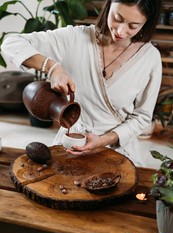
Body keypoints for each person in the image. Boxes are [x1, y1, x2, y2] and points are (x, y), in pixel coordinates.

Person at [2, 0, 162, 166]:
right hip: (72, 143)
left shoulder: (150, 58)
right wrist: (52, 68)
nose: (121, 31)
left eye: (133, 26)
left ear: (146, 23)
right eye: (117, 18)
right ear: (109, 6)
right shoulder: (75, 38)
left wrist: (103, 140)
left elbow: (142, 117)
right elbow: (11, 43)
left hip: (117, 149)